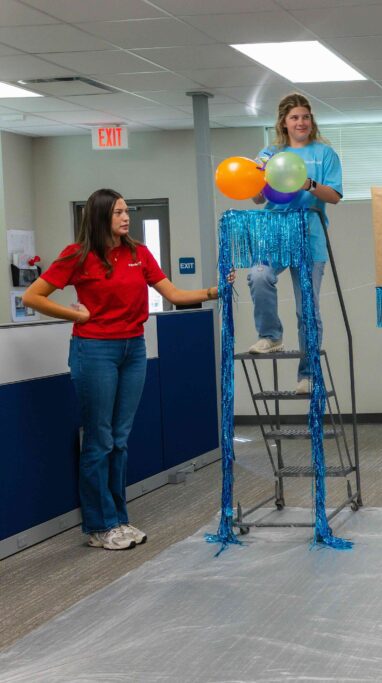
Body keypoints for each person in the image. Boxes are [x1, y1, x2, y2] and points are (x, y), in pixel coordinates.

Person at [23, 189, 232, 551]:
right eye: (118, 212)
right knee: (99, 439)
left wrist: (217, 290)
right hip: (95, 350)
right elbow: (32, 297)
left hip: (134, 348)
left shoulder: (138, 253)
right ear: (101, 216)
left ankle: (118, 518)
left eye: (126, 211)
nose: (125, 217)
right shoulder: (77, 255)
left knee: (120, 439)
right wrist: (76, 314)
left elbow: (175, 295)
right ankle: (100, 525)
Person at [247, 93, 343, 394]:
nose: (301, 122)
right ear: (284, 123)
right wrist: (259, 181)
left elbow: (335, 196)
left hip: (309, 237)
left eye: (305, 117)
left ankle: (308, 374)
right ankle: (271, 335)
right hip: (275, 234)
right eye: (295, 118)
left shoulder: (325, 154)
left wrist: (307, 184)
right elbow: (256, 197)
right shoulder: (269, 153)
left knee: (307, 311)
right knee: (258, 275)